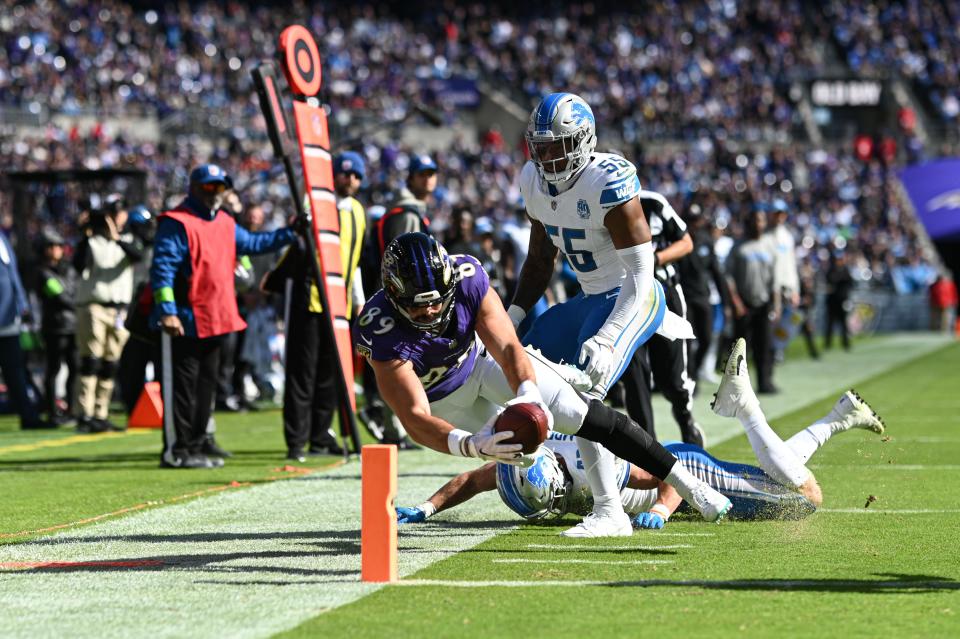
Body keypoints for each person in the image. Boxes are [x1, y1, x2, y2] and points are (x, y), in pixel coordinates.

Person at [356, 233, 731, 538]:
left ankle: (687, 484)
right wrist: (469, 445)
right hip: (446, 399)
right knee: (513, 454)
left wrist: (529, 393)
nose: (433, 313)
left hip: (482, 360)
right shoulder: (381, 330)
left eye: (439, 303)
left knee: (581, 413)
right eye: (420, 308)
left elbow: (506, 346)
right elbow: (415, 416)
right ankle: (592, 501)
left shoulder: (467, 276)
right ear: (394, 295)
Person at [395, 339, 885, 527]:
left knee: (805, 499)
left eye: (545, 502)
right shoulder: (525, 464)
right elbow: (473, 479)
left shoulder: (585, 471)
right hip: (667, 485)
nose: (547, 509)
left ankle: (745, 404)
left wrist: (662, 508)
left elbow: (661, 475)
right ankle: (839, 416)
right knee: (783, 479)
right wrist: (428, 508)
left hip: (682, 471)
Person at [504, 93, 690, 536]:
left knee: (583, 393)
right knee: (522, 367)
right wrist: (508, 319)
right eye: (541, 146)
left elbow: (642, 272)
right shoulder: (533, 180)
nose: (547, 157)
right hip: (590, 300)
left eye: (558, 146)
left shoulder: (608, 180)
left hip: (633, 296)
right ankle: (553, 468)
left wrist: (608, 337)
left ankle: (610, 511)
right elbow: (538, 263)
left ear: (584, 142)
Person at [150, 164, 296, 469]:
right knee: (182, 389)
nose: (216, 192)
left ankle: (195, 445)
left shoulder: (225, 222)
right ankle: (177, 451)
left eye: (221, 186)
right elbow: (161, 272)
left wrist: (291, 232)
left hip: (217, 318)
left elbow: (256, 244)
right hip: (185, 321)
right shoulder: (177, 222)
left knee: (206, 388)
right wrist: (167, 312)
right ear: (195, 188)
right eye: (210, 186)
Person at [263, 151, 366, 462]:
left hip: (340, 305)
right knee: (301, 372)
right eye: (343, 173)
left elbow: (356, 262)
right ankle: (296, 440)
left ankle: (321, 435)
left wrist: (358, 301)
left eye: (354, 175)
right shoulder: (314, 204)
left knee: (330, 373)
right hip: (309, 299)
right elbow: (295, 244)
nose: (348, 180)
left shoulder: (359, 212)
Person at [359, 154, 439, 450]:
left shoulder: (409, 208)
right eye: (422, 174)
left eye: (432, 174)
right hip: (401, 301)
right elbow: (400, 262)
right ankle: (392, 426)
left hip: (400, 299)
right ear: (411, 178)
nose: (428, 179)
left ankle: (396, 426)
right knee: (397, 364)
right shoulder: (406, 213)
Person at [617, 189, 701, 445]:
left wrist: (655, 259)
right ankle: (648, 448)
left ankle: (686, 420)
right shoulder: (587, 206)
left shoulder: (653, 203)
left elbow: (686, 242)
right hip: (624, 298)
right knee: (634, 372)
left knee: (671, 380)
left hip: (662, 293)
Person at [73, 194, 143, 432]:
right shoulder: (91, 242)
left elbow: (138, 255)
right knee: (90, 361)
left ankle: (101, 412)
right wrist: (85, 233)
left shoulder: (129, 239)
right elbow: (78, 264)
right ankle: (85, 413)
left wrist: (117, 238)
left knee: (110, 363)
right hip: (94, 305)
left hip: (120, 309)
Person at [677, 204, 731, 387]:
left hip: (702, 297)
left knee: (706, 339)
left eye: (696, 220)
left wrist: (726, 303)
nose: (693, 224)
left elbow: (717, 273)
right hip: (684, 298)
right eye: (690, 220)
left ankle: (695, 372)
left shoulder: (705, 241)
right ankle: (690, 378)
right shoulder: (677, 241)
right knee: (687, 342)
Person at [726, 207, 777, 393]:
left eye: (761, 220)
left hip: (764, 303)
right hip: (744, 304)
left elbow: (774, 279)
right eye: (754, 220)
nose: (758, 224)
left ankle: (765, 382)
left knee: (765, 345)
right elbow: (729, 277)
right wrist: (736, 302)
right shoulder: (739, 247)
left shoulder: (769, 246)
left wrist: (776, 304)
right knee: (740, 347)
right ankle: (738, 387)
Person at [0, 229, 47, 429]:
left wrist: (21, 303)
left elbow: (13, 275)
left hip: (9, 318)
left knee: (16, 371)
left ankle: (29, 417)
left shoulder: (3, 238)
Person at [36, 228, 78, 424]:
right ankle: (52, 412)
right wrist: (76, 302)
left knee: (74, 368)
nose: (56, 250)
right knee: (53, 369)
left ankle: (71, 409)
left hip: (72, 326)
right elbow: (60, 297)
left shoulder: (68, 270)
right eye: (52, 246)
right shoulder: (42, 273)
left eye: (59, 246)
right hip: (55, 327)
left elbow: (73, 290)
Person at [824, 252, 854, 351]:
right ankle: (828, 344)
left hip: (842, 301)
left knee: (844, 325)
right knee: (830, 324)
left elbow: (850, 283)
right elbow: (831, 281)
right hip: (832, 303)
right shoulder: (831, 270)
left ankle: (845, 344)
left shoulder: (845, 270)